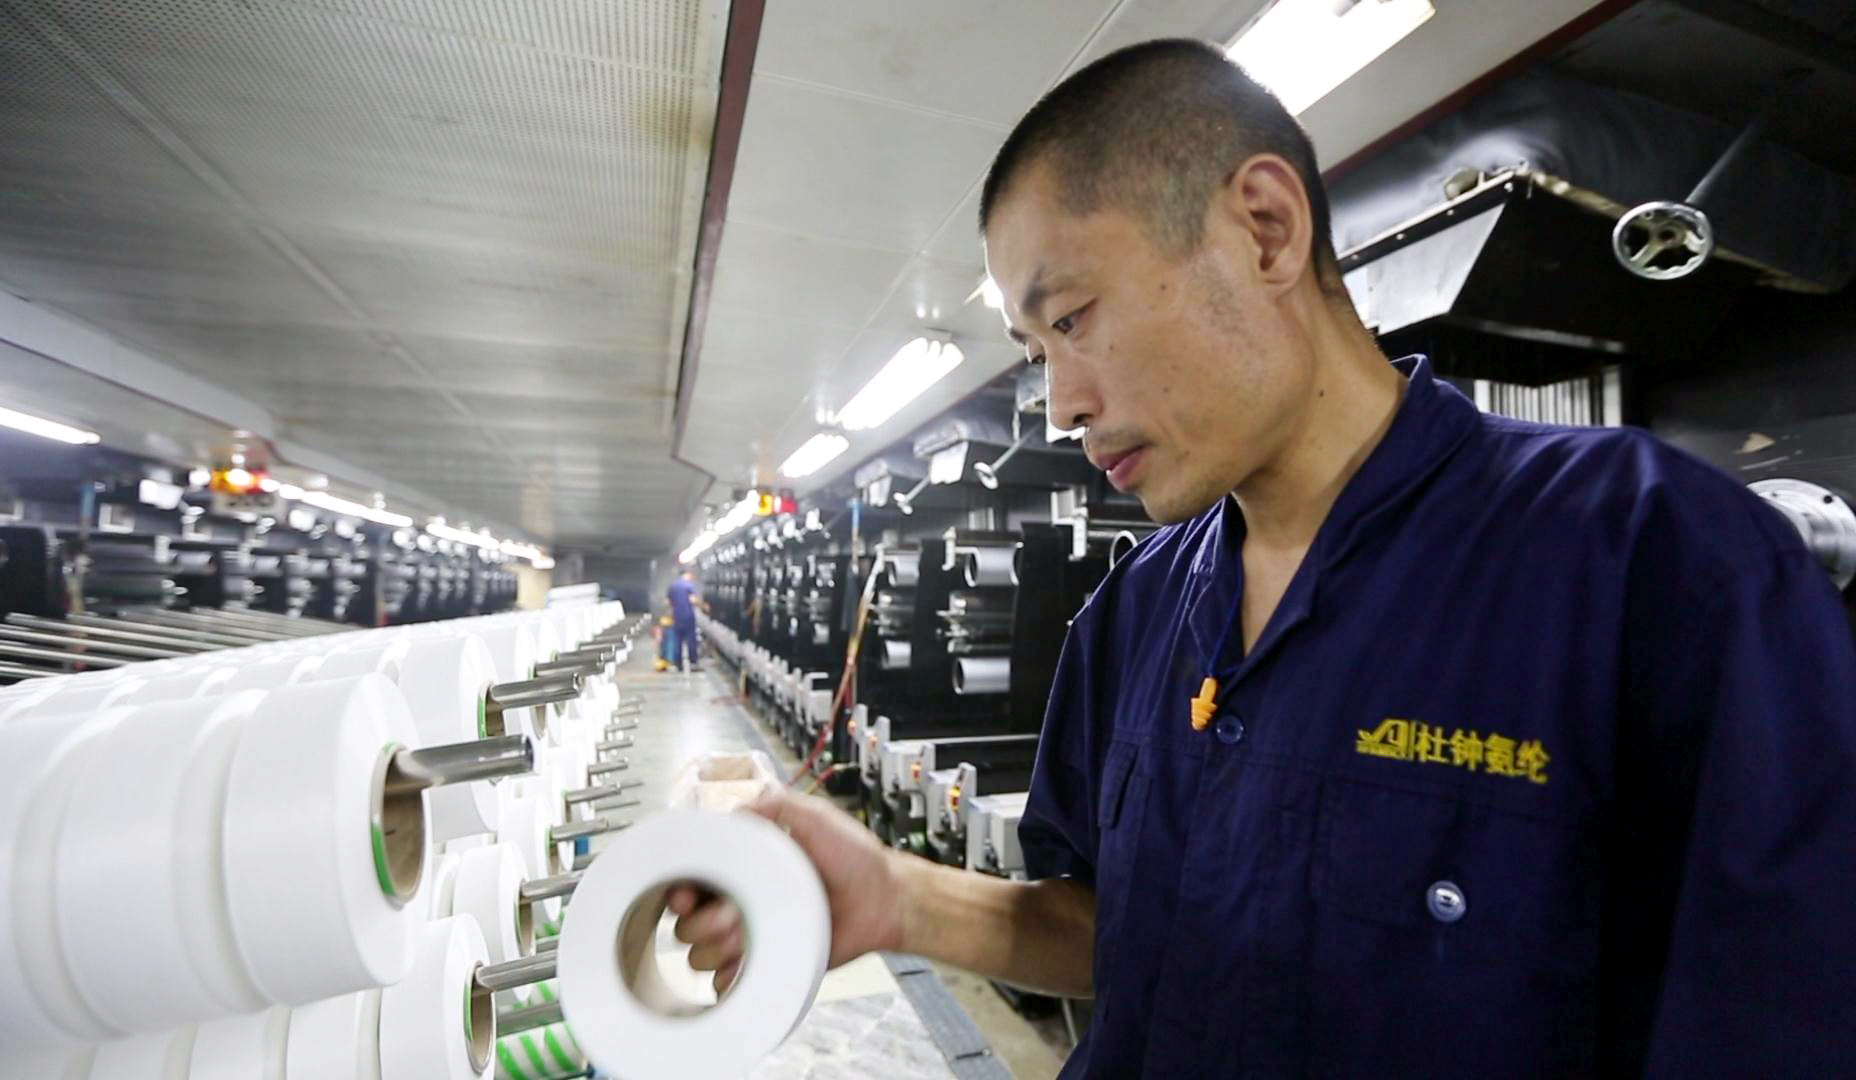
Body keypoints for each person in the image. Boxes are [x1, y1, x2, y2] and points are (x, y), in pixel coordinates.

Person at [670, 39, 1856, 1076]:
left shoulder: (1650, 564)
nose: (1061, 402)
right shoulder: (1133, 615)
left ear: (1263, 230)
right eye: (1035, 351)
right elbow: (1111, 926)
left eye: (1071, 318)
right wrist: (898, 893)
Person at [665, 569, 701, 672]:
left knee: (677, 640)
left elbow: (668, 602)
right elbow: (693, 599)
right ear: (687, 574)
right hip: (688, 617)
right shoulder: (688, 586)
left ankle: (678, 664)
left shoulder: (673, 586)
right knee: (691, 640)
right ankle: (693, 664)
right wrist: (703, 606)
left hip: (677, 617)